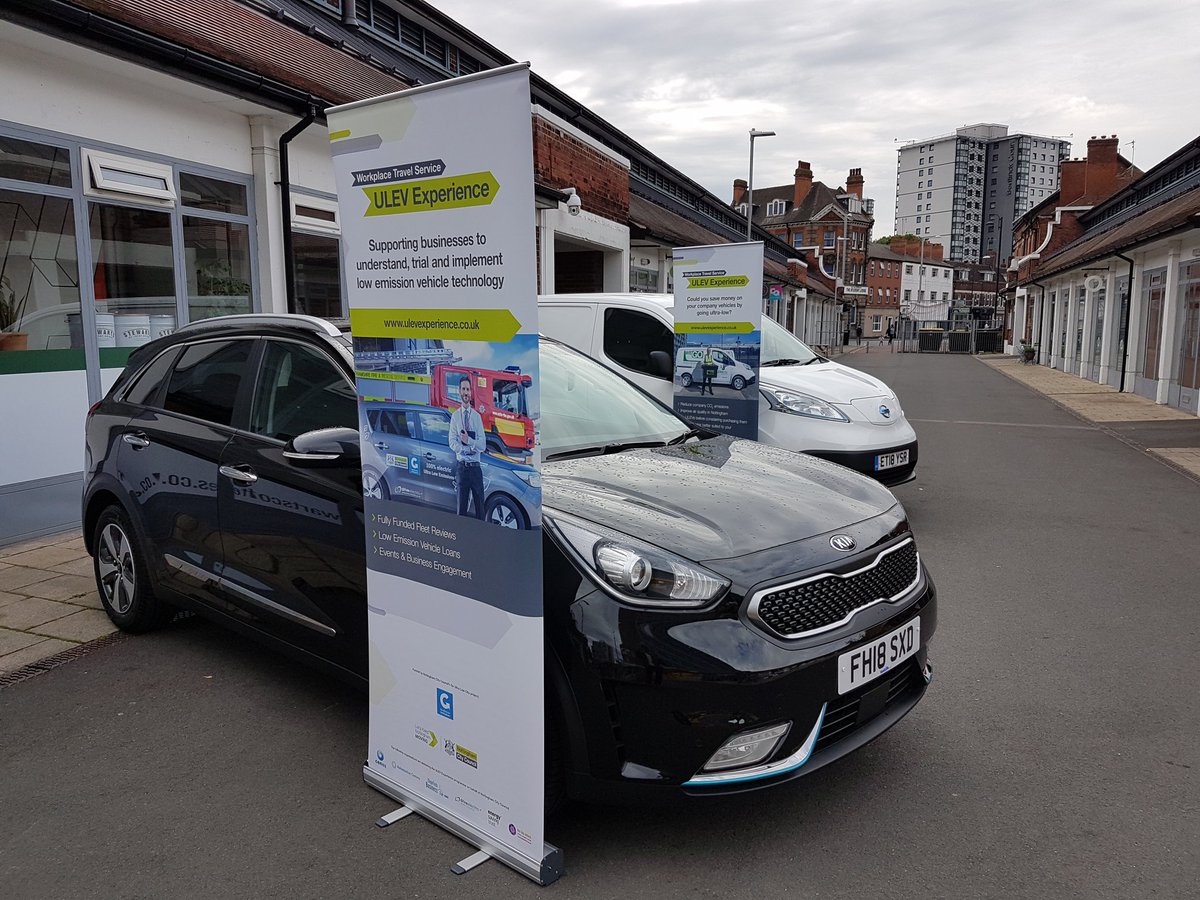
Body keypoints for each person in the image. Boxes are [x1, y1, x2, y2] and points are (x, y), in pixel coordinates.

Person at [449, 376, 486, 519]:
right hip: (462, 469)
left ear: (471, 392)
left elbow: (482, 445)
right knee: (461, 512)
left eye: (468, 389)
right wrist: (466, 449)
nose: (466, 392)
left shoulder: (477, 417)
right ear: (459, 391)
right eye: (463, 389)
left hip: (476, 469)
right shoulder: (455, 417)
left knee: (480, 511)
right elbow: (452, 443)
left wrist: (469, 440)